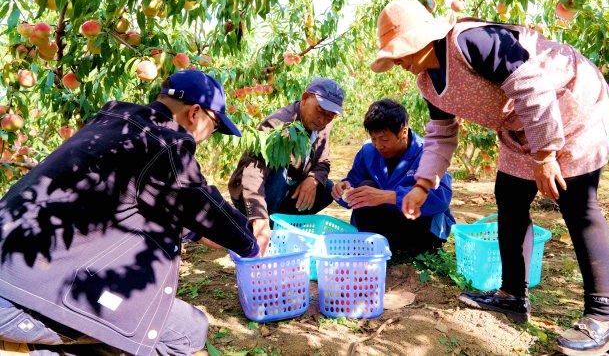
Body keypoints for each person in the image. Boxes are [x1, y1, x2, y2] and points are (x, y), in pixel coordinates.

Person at [371, 0, 609, 356]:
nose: (399, 60)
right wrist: (422, 185)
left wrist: (546, 154)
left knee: (577, 203)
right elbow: (442, 134)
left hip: (571, 104)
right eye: (395, 53)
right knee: (509, 196)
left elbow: (532, 86)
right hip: (523, 127)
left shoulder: (473, 41)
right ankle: (512, 295)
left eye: (403, 49)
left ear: (426, 36)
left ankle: (604, 316)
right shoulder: (428, 82)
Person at [0, 70, 258, 356]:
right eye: (215, 126)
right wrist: (250, 241)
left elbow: (126, 200)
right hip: (22, 298)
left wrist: (195, 231)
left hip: (15, 269)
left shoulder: (111, 125)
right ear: (195, 113)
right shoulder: (167, 144)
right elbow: (211, 212)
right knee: (188, 331)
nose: (210, 137)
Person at [228, 77, 344, 255]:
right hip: (256, 192)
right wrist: (258, 215)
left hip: (288, 189)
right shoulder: (278, 125)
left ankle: (284, 225)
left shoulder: (322, 125)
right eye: (320, 110)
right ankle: (262, 227)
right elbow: (253, 172)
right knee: (279, 170)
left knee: (326, 188)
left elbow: (323, 162)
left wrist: (313, 179)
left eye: (330, 116)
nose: (323, 119)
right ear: (305, 98)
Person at [331, 99, 454, 255]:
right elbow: (354, 182)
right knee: (365, 184)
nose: (378, 145)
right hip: (382, 228)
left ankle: (402, 249)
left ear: (403, 132)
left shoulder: (428, 154)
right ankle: (378, 245)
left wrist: (389, 197)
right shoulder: (368, 151)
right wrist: (344, 190)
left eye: (384, 139)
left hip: (419, 229)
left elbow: (440, 199)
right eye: (374, 139)